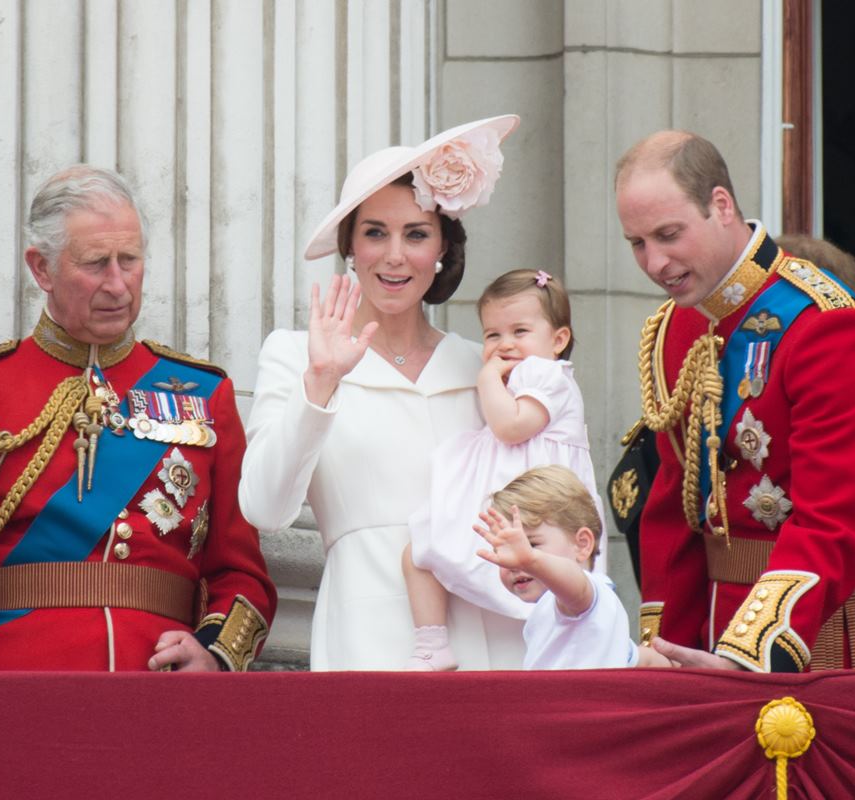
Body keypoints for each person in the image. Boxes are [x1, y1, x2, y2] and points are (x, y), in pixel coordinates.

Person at [0, 165, 275, 672]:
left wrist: (214, 656)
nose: (118, 283)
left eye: (129, 260)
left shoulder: (206, 394)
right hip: (15, 682)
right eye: (96, 264)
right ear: (41, 268)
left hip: (162, 682)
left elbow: (242, 573)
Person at [240, 115, 526, 670]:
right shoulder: (295, 353)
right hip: (365, 636)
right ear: (350, 246)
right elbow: (264, 508)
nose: (395, 255)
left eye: (416, 234)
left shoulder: (481, 363)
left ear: (442, 247)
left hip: (493, 636)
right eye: (375, 232)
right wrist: (320, 383)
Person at [614, 130, 855, 671]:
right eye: (637, 243)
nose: (655, 262)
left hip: (830, 636)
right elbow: (675, 516)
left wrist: (752, 652)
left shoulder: (828, 325)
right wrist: (670, 653)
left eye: (668, 234)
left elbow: (835, 519)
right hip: (714, 639)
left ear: (720, 205)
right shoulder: (674, 329)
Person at [401, 269, 608, 670]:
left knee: (428, 550)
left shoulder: (547, 375)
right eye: (493, 335)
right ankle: (431, 643)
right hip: (515, 502)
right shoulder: (520, 377)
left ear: (558, 340)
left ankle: (433, 642)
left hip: (541, 507)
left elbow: (511, 427)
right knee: (420, 548)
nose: (505, 345)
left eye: (519, 331)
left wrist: (485, 378)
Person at [473, 466, 667, 669]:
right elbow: (639, 657)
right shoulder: (582, 614)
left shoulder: (583, 595)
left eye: (531, 545)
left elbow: (575, 587)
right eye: (504, 550)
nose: (516, 562)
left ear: (582, 544)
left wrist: (532, 561)